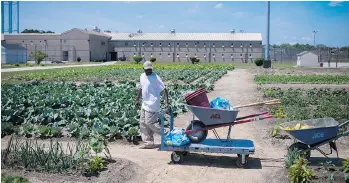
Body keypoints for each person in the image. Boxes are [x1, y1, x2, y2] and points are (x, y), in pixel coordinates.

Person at [135, 61, 170, 149]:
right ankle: (148, 143)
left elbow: (164, 90)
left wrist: (166, 102)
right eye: (147, 70)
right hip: (145, 103)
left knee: (149, 123)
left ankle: (165, 133)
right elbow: (141, 88)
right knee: (142, 123)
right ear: (143, 69)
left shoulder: (156, 77)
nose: (149, 71)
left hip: (153, 103)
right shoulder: (142, 76)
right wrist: (137, 99)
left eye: (150, 69)